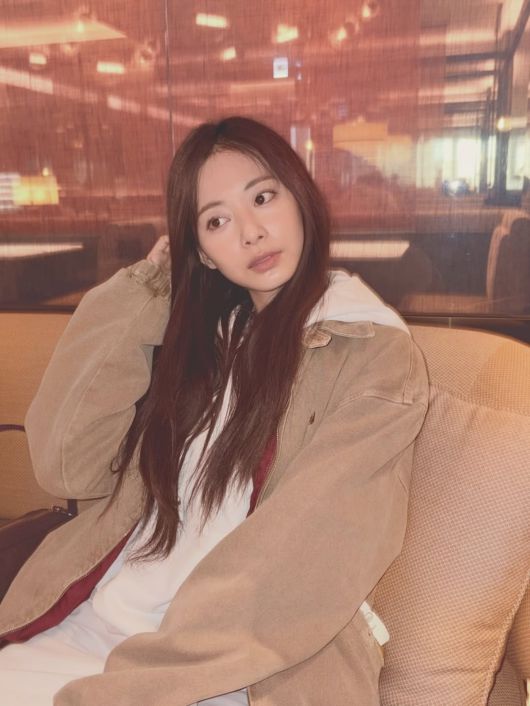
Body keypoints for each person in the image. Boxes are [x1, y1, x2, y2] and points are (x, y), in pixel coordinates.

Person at [0, 116, 428, 706]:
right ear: (199, 252)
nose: (251, 232)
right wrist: (150, 286)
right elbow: (66, 464)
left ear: (300, 197)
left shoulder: (370, 351)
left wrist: (139, 685)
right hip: (97, 621)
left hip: (238, 665)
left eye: (263, 197)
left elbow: (306, 556)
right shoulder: (200, 343)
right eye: (217, 221)